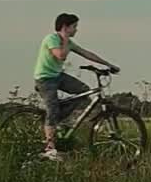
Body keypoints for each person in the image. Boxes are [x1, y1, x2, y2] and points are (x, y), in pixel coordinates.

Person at [33, 12, 118, 161]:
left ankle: (59, 120)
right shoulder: (52, 39)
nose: (76, 30)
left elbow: (87, 53)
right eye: (74, 27)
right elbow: (60, 55)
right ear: (66, 27)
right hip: (45, 79)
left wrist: (109, 64)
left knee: (84, 91)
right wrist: (65, 39)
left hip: (58, 76)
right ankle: (50, 148)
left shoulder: (69, 43)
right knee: (52, 109)